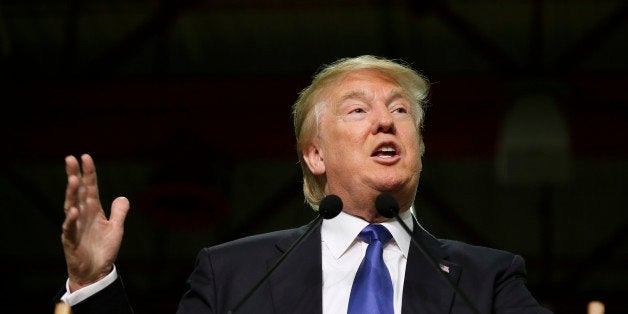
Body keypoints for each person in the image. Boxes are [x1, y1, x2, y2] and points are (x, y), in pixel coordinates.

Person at [57, 55, 552, 313]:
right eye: (358, 110)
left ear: (419, 149)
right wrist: (93, 284)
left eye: (400, 111)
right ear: (315, 155)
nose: (386, 122)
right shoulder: (234, 274)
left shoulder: (485, 280)